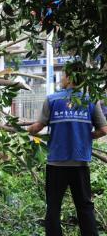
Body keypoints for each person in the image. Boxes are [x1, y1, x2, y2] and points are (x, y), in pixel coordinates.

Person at [28, 61, 107, 236]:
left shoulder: (52, 99)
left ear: (69, 77)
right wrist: (87, 136)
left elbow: (38, 127)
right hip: (80, 164)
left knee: (54, 207)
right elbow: (103, 130)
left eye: (64, 75)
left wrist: (28, 130)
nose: (63, 78)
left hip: (56, 164)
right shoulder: (91, 100)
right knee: (85, 207)